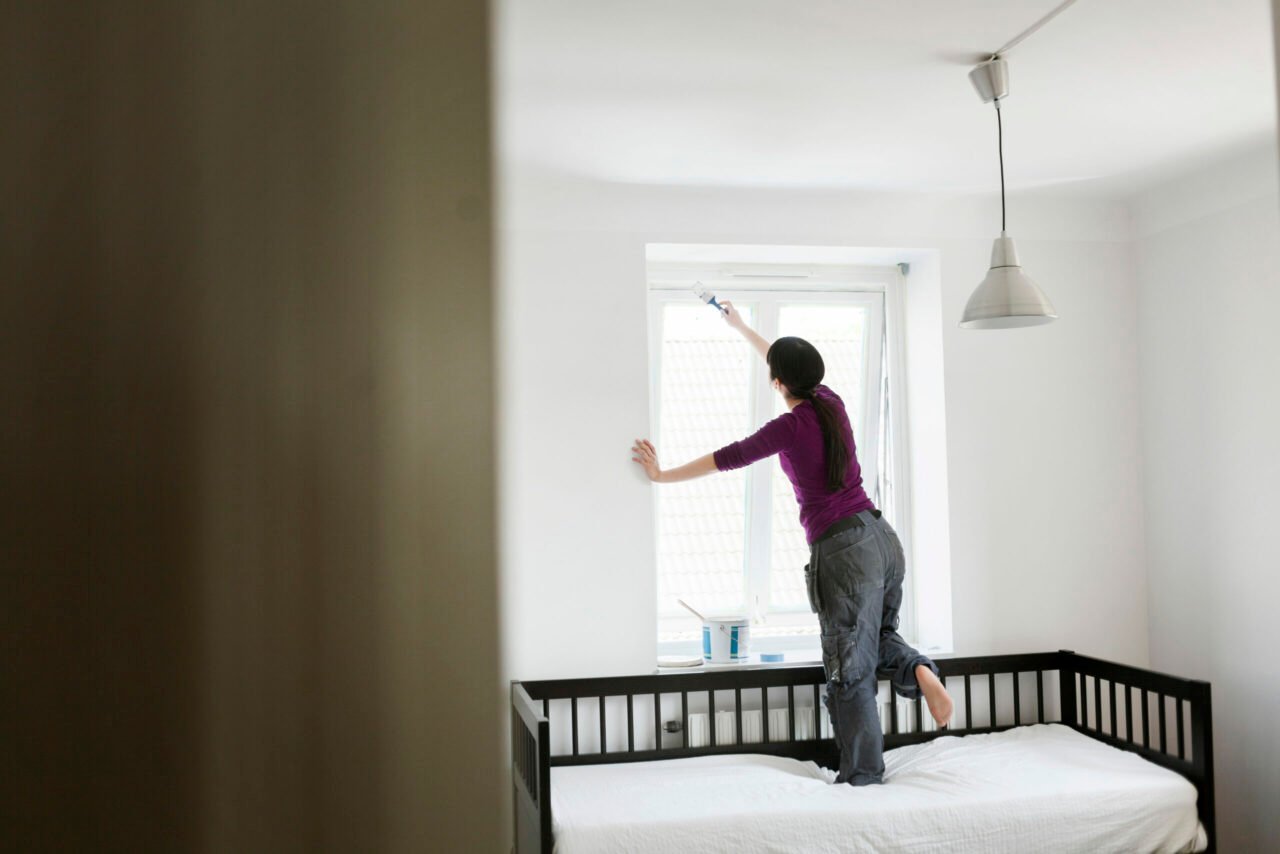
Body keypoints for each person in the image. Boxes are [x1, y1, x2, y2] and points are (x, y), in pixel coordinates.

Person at [630, 301, 953, 786]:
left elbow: (727, 458)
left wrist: (660, 475)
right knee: (879, 638)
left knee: (849, 672)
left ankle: (863, 780)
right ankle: (920, 671)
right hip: (882, 537)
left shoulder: (790, 425)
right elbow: (785, 367)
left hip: (843, 551)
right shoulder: (831, 401)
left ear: (777, 382)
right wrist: (741, 328)